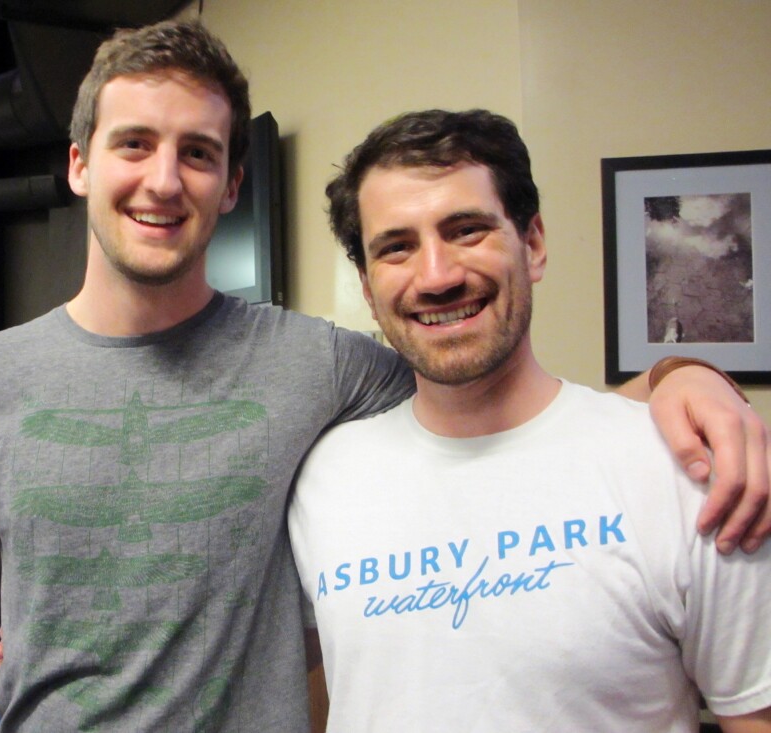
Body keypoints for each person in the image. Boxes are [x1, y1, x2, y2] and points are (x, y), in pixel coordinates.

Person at [0, 19, 768, 733]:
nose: (164, 180)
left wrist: (682, 376)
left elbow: (491, 397)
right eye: (135, 144)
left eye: (199, 154)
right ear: (81, 163)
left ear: (233, 182)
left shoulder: (318, 365)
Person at [288, 108, 771, 732]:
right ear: (367, 284)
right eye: (397, 247)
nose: (436, 276)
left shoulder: (683, 468)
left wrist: (683, 371)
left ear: (533, 243)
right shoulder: (322, 478)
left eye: (466, 230)